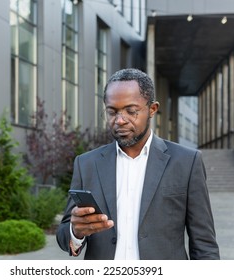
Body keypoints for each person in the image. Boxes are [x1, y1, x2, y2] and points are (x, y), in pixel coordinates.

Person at [56, 68, 220, 260]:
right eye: (112, 112)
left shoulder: (186, 162)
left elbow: (204, 245)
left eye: (131, 111)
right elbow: (64, 234)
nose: (120, 120)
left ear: (152, 109)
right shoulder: (86, 164)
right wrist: (76, 232)